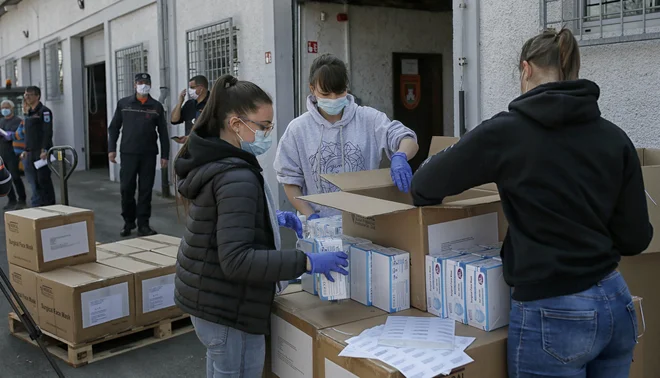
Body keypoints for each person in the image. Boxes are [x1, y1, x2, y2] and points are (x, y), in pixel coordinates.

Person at [411, 28, 651, 378]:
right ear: (573, 70)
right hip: (615, 302)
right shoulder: (615, 138)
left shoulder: (507, 133)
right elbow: (635, 238)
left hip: (553, 311)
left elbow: (424, 186)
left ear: (526, 69)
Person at [174, 74, 348, 378]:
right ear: (236, 124)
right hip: (228, 312)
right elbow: (237, 260)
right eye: (264, 126)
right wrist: (306, 261)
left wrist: (268, 218)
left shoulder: (216, 160)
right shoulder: (235, 175)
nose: (269, 133)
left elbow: (220, 222)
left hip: (208, 300)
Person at [274, 54, 419, 220]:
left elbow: (407, 138)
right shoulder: (298, 129)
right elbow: (290, 182)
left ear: (347, 88)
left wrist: (400, 156)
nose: (333, 99)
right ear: (312, 89)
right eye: (326, 94)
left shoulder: (369, 119)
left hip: (364, 220)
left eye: (339, 92)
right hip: (320, 224)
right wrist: (312, 218)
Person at [108, 73, 170, 237]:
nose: (144, 85)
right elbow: (114, 127)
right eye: (140, 82)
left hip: (148, 154)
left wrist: (165, 155)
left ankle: (144, 224)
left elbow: (163, 132)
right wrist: (111, 149)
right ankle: (129, 222)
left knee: (145, 190)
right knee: (126, 189)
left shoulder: (155, 106)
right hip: (128, 153)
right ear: (134, 85)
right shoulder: (124, 104)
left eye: (147, 82)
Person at [22, 86, 55, 207]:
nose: (27, 97)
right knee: (34, 180)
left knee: (43, 179)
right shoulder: (29, 112)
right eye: (25, 95)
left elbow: (47, 132)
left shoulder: (44, 111)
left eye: (30, 95)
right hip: (30, 151)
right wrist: (25, 149)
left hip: (41, 151)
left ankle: (49, 203)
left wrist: (45, 149)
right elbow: (28, 133)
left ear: (37, 96)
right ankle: (39, 203)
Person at [0, 100, 26, 209]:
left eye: (7, 107)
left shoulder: (18, 121)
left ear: (12, 108)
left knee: (15, 177)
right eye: (2, 108)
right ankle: (12, 199)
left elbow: (19, 134)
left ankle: (22, 199)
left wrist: (10, 135)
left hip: (13, 153)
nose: (4, 109)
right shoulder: (1, 121)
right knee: (5, 178)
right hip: (2, 153)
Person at [170, 75, 209, 144]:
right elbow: (174, 120)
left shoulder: (212, 103)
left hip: (206, 146)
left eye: (192, 87)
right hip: (190, 147)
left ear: (201, 88)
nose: (190, 90)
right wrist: (180, 102)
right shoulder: (189, 104)